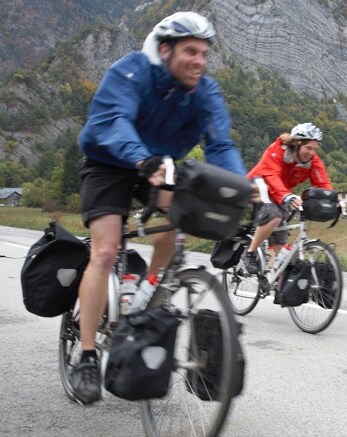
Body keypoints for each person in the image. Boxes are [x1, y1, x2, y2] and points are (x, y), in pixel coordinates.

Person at [73, 11, 249, 405]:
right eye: (190, 51)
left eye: (204, 53)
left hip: (161, 166)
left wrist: (245, 190)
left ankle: (150, 291)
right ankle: (86, 357)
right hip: (111, 162)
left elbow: (220, 146)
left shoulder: (205, 91)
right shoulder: (131, 72)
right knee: (104, 251)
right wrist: (142, 159)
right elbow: (114, 120)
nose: (199, 61)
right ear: (165, 49)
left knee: (181, 214)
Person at [243, 122, 333, 274]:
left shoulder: (312, 161)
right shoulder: (277, 150)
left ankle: (277, 286)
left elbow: (323, 184)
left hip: (280, 194)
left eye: (314, 149)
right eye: (308, 148)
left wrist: (334, 202)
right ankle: (250, 253)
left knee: (280, 244)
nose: (311, 153)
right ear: (297, 144)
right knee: (275, 216)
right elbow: (271, 175)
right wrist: (287, 196)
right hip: (257, 187)